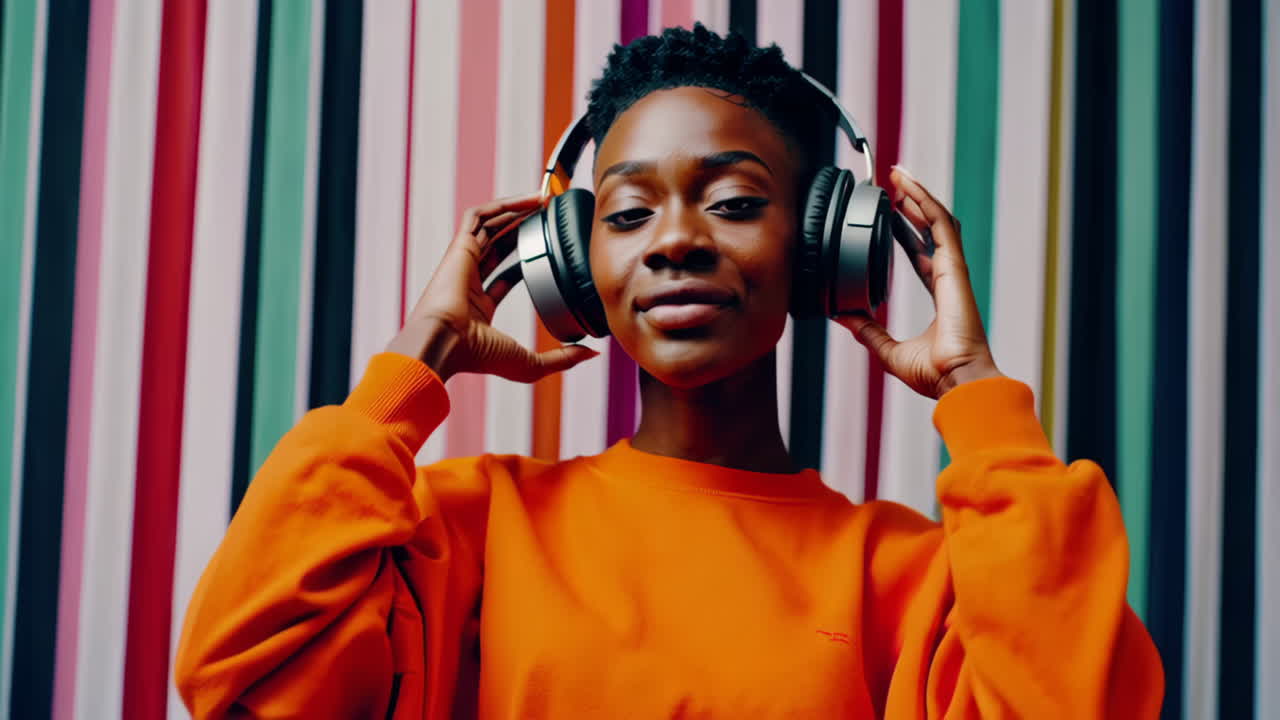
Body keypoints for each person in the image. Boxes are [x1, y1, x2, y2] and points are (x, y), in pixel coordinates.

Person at [174, 24, 1163, 719]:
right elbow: (237, 682)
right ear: (570, 259)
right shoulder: (466, 528)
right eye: (625, 212)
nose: (675, 241)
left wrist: (974, 397)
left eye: (732, 203)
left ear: (826, 247)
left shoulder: (908, 578)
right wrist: (410, 369)